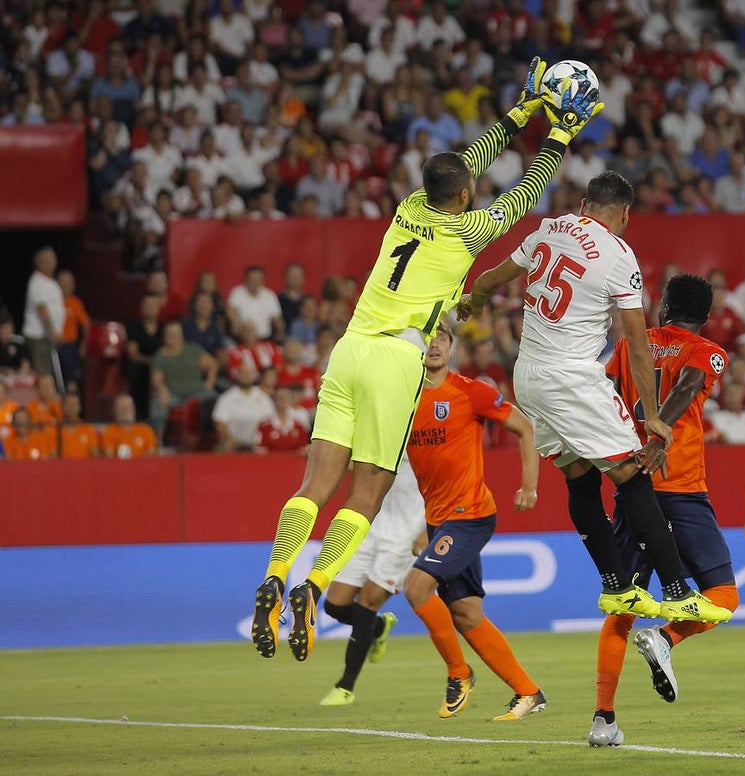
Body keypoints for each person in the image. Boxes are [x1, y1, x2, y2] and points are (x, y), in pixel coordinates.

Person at [252, 57, 593, 662]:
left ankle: (277, 574)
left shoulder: (409, 207)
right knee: (370, 489)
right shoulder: (469, 231)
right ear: (464, 196)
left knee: (314, 483)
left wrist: (523, 106)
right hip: (395, 357)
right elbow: (528, 187)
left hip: (349, 347)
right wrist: (560, 129)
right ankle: (313, 587)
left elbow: (472, 160)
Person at [462, 172, 730, 625]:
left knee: (580, 476)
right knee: (632, 477)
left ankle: (617, 586)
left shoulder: (549, 229)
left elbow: (491, 277)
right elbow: (636, 341)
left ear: (585, 203)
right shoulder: (619, 255)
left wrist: (475, 299)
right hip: (572, 377)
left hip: (527, 377)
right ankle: (679, 592)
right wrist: (653, 419)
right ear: (625, 213)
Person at [589, 274, 741, 747]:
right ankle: (668, 639)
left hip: (632, 487)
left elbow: (603, 392)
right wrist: (660, 436)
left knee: (623, 607)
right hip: (680, 487)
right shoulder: (707, 350)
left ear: (664, 307)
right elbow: (691, 383)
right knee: (723, 595)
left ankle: (603, 721)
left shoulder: (630, 345)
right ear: (706, 316)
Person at [403, 325, 547, 720]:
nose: (433, 344)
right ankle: (528, 692)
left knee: (416, 588)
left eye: (442, 338)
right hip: (440, 521)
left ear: (452, 346)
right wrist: (425, 528)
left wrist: (529, 487)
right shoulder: (403, 400)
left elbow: (525, 427)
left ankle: (458, 672)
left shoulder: (471, 391)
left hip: (471, 516)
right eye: (426, 338)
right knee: (466, 614)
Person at [318, 458, 425, 706]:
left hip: (404, 535)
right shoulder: (382, 431)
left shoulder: (426, 435)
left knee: (367, 603)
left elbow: (444, 486)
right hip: (368, 528)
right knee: (335, 605)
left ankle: (345, 686)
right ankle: (377, 628)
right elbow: (360, 463)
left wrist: (429, 530)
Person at [22, 247, 65, 377]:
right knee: (43, 374)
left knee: (49, 372)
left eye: (53, 260)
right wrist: (53, 333)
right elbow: (43, 310)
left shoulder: (50, 282)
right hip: (38, 337)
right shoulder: (37, 282)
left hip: (46, 338)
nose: (52, 263)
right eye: (49, 260)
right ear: (40, 263)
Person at [101, 393, 158, 458]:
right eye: (122, 407)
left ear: (134, 409)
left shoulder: (145, 429)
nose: (126, 410)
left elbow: (151, 454)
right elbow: (109, 456)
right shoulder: (109, 431)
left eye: (129, 406)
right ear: (115, 410)